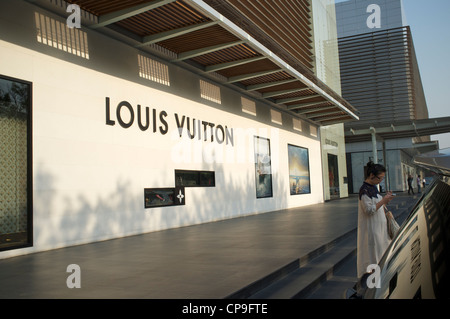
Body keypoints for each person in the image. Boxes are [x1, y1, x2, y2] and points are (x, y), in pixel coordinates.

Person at [357, 161, 395, 280]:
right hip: (373, 230)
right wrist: (383, 201)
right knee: (373, 256)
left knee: (380, 255)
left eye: (383, 178)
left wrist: (385, 200)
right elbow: (369, 210)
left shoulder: (373, 188)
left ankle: (379, 283)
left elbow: (377, 205)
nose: (381, 180)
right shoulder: (364, 191)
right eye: (380, 177)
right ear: (371, 175)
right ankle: (373, 286)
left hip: (379, 228)